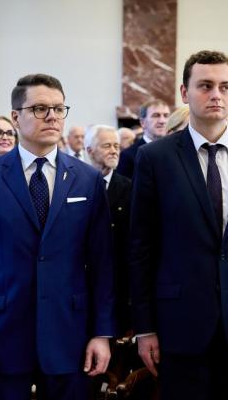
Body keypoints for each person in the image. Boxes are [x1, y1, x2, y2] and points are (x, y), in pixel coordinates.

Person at [129, 50, 228, 400]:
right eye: (205, 86)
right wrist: (145, 327)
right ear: (185, 93)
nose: (216, 94)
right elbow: (141, 248)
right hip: (178, 321)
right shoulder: (155, 157)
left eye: (225, 87)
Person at [0, 73, 116, 400]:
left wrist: (102, 333)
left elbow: (103, 263)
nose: (52, 116)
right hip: (2, 334)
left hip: (70, 334)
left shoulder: (87, 180)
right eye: (40, 108)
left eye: (59, 108)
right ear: (16, 117)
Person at [85, 124, 132, 333]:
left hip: (119, 282)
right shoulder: (76, 185)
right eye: (107, 146)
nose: (114, 151)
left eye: (116, 146)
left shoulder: (129, 187)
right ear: (89, 150)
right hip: (85, 281)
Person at [116, 98, 170, 179]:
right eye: (156, 115)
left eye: (166, 116)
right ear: (143, 123)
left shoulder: (175, 151)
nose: (162, 121)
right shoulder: (128, 156)